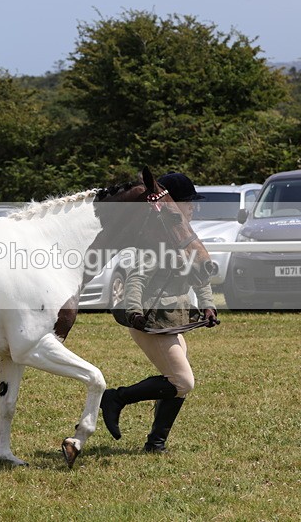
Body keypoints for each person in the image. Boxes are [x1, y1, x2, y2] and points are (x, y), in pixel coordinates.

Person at [100, 172, 218, 453]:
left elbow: (199, 275)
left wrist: (207, 303)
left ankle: (156, 443)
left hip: (174, 316)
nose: (193, 207)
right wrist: (134, 310)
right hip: (150, 318)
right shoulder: (157, 238)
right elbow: (136, 279)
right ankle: (115, 398)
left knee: (175, 381)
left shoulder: (183, 236)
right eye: (188, 202)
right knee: (182, 381)